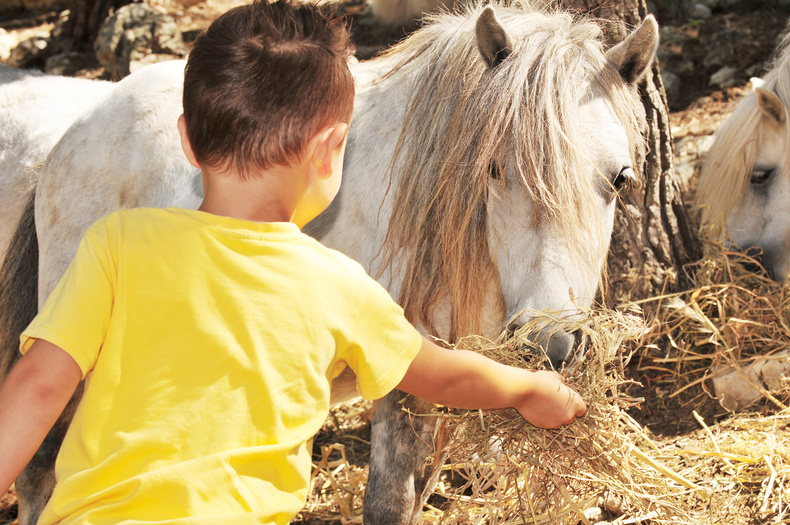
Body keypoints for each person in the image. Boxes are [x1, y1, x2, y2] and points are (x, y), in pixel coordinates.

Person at [0, 1, 587, 523]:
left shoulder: (115, 243)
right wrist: (530, 388)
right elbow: (443, 374)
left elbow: (38, 387)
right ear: (332, 152)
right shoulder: (338, 287)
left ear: (185, 138)